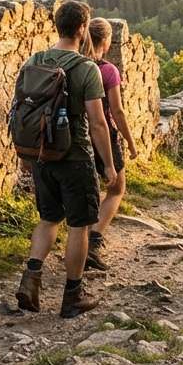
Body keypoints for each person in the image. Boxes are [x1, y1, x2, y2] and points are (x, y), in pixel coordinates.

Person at [14, 0, 118, 318]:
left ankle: (30, 281)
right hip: (74, 158)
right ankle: (72, 295)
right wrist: (109, 164)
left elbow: (22, 110)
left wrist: (25, 154)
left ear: (57, 25)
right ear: (83, 28)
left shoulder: (34, 60)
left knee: (48, 219)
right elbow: (98, 123)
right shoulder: (86, 69)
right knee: (79, 226)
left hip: (42, 156)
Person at [79, 17, 139, 271]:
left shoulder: (76, 65)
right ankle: (94, 240)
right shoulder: (107, 71)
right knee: (116, 188)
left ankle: (80, 241)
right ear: (106, 41)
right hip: (104, 137)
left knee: (83, 193)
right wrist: (131, 143)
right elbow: (117, 111)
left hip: (76, 137)